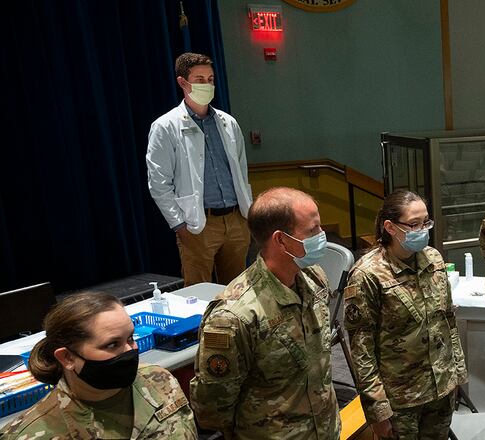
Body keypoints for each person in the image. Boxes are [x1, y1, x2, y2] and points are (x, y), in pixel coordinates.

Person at [189, 187, 339, 440]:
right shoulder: (233, 316)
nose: (322, 236)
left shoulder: (313, 278)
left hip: (324, 429)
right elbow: (213, 407)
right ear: (281, 240)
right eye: (313, 230)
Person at [344, 189, 467, 439]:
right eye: (414, 224)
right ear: (389, 227)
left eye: (425, 222)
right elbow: (361, 351)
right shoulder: (368, 274)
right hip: (400, 399)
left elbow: (447, 321)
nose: (423, 230)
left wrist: (456, 373)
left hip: (440, 387)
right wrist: (377, 408)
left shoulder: (432, 258)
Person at [1, 293, 197, 438]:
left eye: (130, 338)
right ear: (68, 358)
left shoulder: (159, 380)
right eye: (112, 344)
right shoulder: (30, 434)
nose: (129, 351)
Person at [147, 52, 253, 287]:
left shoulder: (228, 122)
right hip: (198, 223)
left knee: (238, 291)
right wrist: (180, 226)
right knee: (198, 292)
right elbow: (159, 184)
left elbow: (241, 171)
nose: (207, 85)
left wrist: (247, 215)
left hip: (236, 220)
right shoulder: (165, 126)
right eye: (199, 79)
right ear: (183, 83)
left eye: (211, 79)